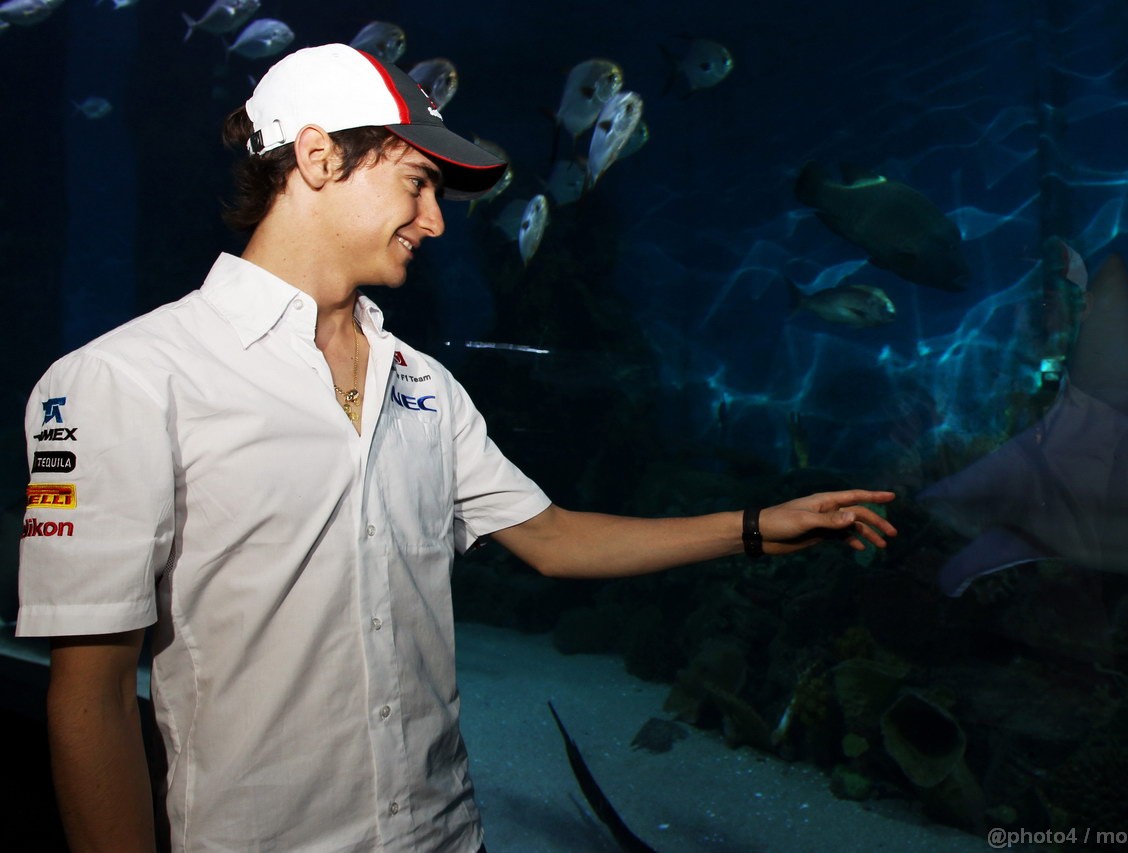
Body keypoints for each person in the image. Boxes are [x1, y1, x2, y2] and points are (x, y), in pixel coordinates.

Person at [17, 43, 897, 852]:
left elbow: (551, 539)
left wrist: (754, 526)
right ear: (320, 159)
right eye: (416, 183)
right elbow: (89, 697)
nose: (436, 222)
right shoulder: (123, 382)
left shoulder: (425, 387)